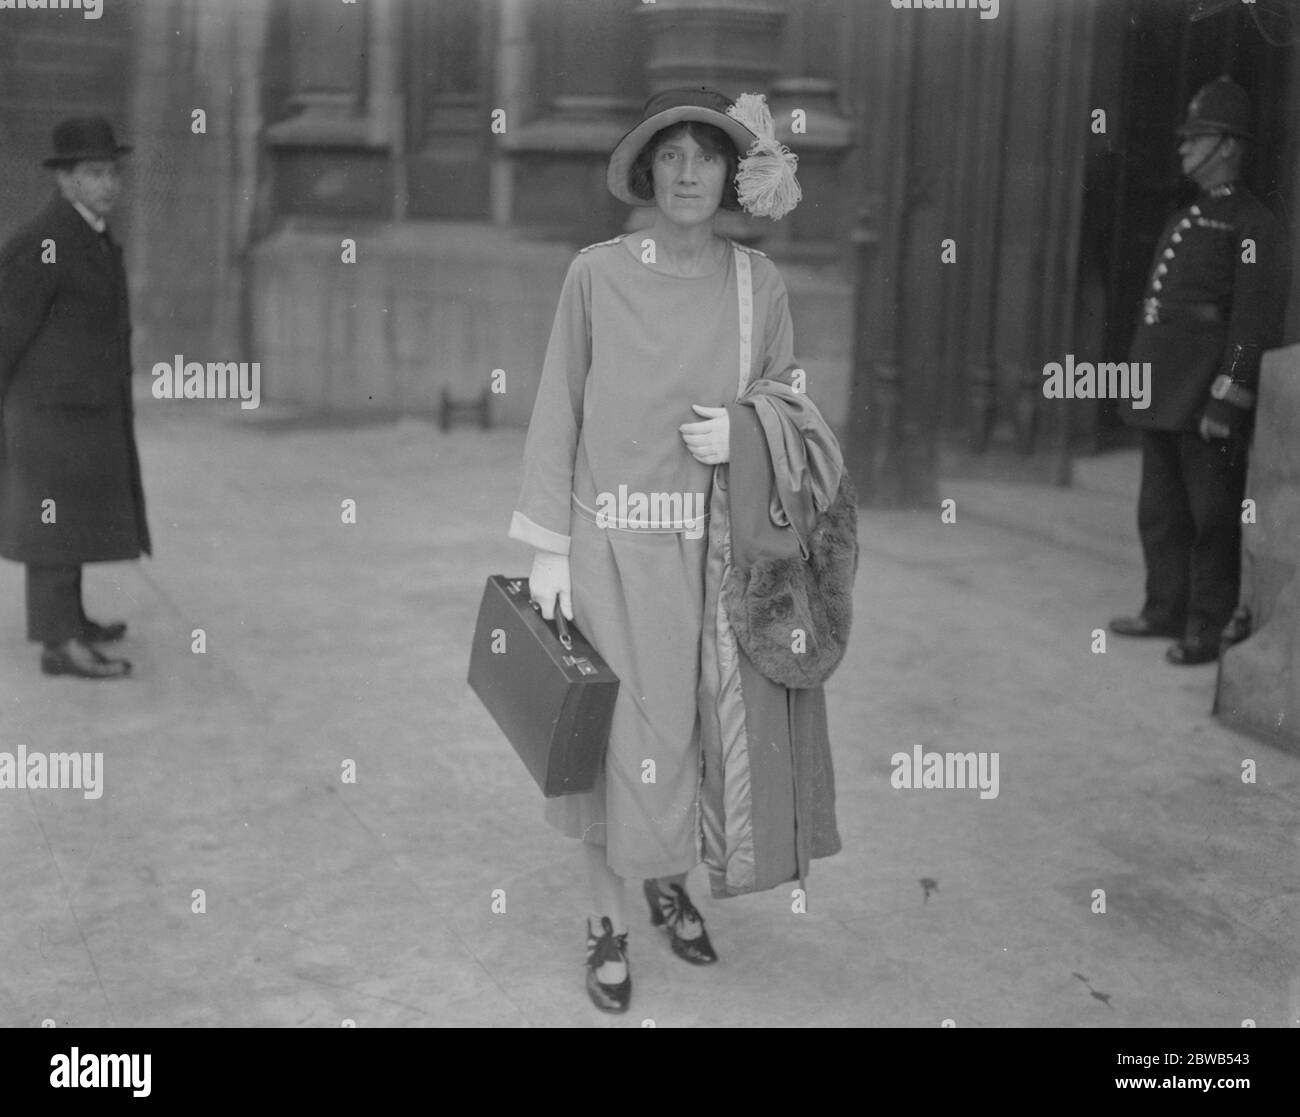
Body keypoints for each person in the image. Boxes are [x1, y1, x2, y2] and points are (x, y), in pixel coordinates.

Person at [509, 87, 845, 1013]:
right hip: (611, 550)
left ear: (732, 174)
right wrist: (547, 546)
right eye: (672, 154)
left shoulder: (755, 285)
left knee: (701, 736)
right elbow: (557, 406)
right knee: (611, 745)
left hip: (718, 559)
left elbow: (795, 414)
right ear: (648, 171)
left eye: (707, 153)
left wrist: (745, 433)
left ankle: (675, 884)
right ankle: (604, 922)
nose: (690, 170)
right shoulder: (596, 275)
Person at [1110, 78, 1291, 666]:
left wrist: (1228, 396)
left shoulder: (1252, 224)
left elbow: (1254, 322)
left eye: (1198, 139)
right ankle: (1164, 608)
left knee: (1211, 514)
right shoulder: (1191, 215)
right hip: (1163, 383)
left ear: (1228, 147)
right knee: (1159, 508)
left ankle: (1207, 626)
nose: (1185, 150)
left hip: (1203, 391)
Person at [0, 117, 150, 679]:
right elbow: (6, 329)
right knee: (52, 524)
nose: (108, 184)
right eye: (93, 173)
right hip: (46, 413)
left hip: (76, 409)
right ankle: (58, 644)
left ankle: (72, 619)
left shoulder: (86, 232)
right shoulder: (43, 241)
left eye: (113, 172)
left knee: (71, 521)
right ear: (64, 180)